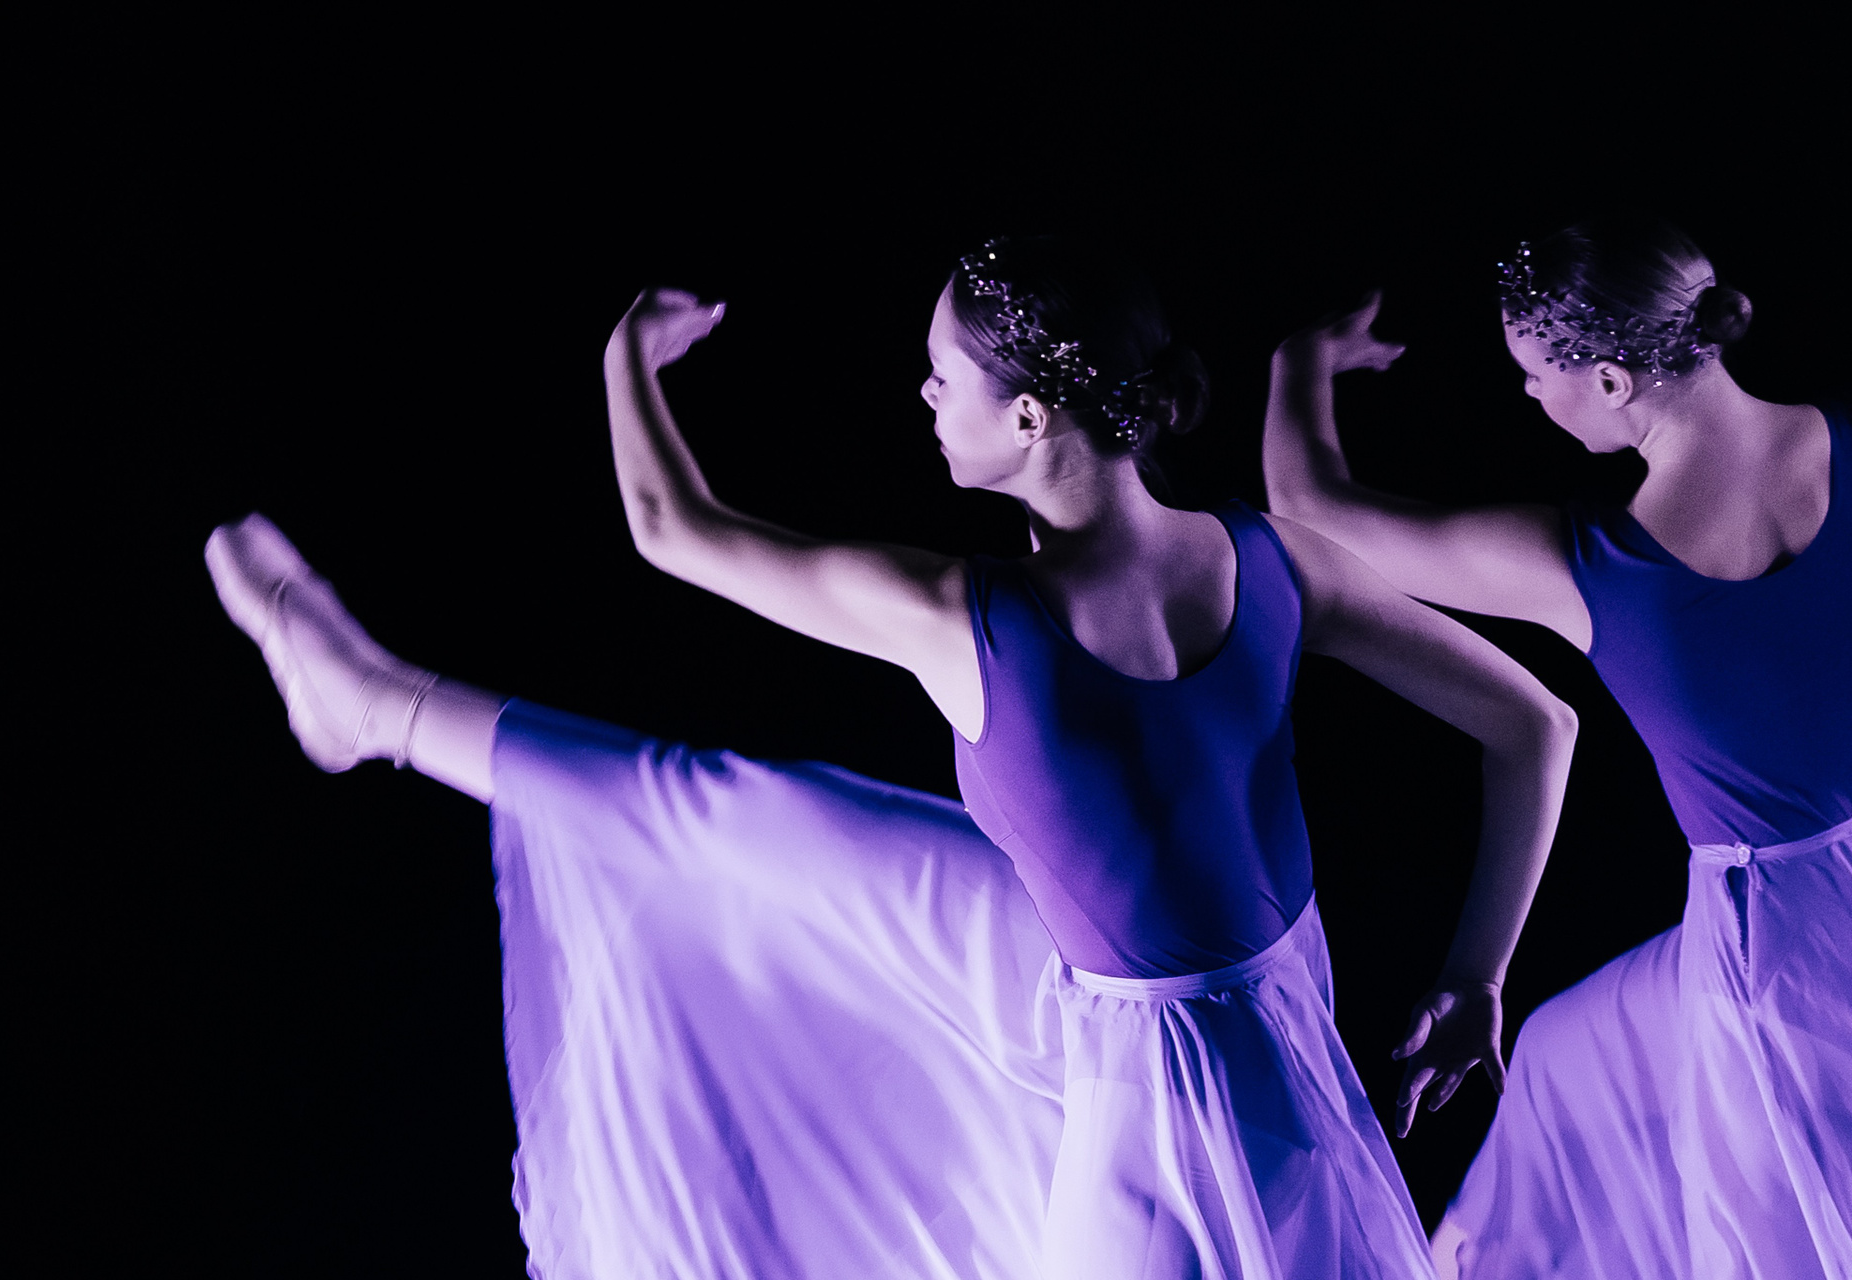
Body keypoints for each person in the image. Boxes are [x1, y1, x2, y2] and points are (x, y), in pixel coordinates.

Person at [207, 235, 1576, 1279]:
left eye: (945, 375)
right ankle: (371, 702)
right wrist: (1475, 978)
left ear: (1030, 419)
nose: (923, 391)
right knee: (742, 817)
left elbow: (670, 527)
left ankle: (381, 710)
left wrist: (624, 356)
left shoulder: (967, 619)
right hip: (1224, 1000)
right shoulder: (1275, 562)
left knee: (710, 814)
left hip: (1159, 1079)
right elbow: (1538, 723)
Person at [1261, 214, 1850, 1278]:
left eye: (1535, 375)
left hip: (1780, 948)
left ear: (1614, 382)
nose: (1531, 396)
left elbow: (1312, 511)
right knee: (1568, 1053)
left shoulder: (1598, 566)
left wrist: (1300, 362)